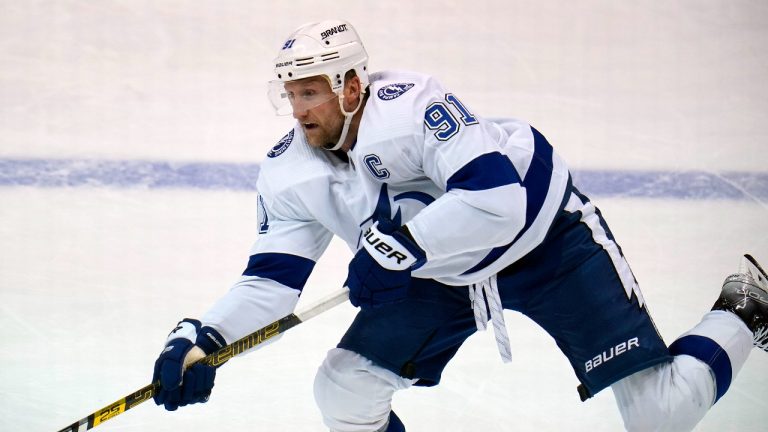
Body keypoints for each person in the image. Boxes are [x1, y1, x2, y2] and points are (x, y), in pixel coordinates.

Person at [150, 19, 768, 431]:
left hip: (545, 245)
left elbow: (497, 197)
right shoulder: (291, 173)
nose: (298, 110)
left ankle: (746, 307)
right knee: (343, 390)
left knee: (661, 415)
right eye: (290, 94)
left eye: (311, 92)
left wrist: (402, 246)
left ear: (351, 87)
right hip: (436, 271)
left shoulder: (415, 107)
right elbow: (270, 281)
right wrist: (204, 336)